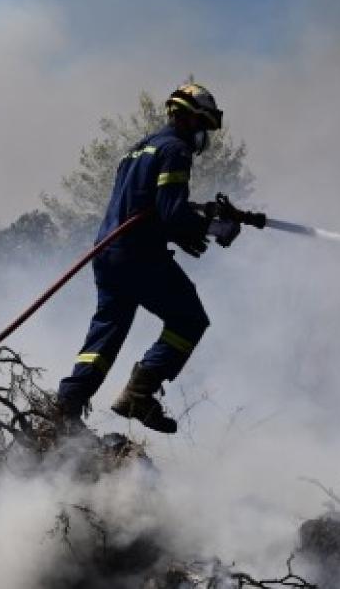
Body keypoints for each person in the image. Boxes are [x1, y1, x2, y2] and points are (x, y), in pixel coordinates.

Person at [55, 83, 240, 434]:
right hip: (138, 255)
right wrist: (215, 228)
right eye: (202, 126)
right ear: (189, 119)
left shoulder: (138, 149)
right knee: (189, 320)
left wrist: (185, 229)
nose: (202, 136)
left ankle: (67, 406)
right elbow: (171, 212)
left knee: (108, 330)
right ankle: (139, 394)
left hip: (107, 252)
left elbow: (145, 205)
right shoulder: (176, 150)